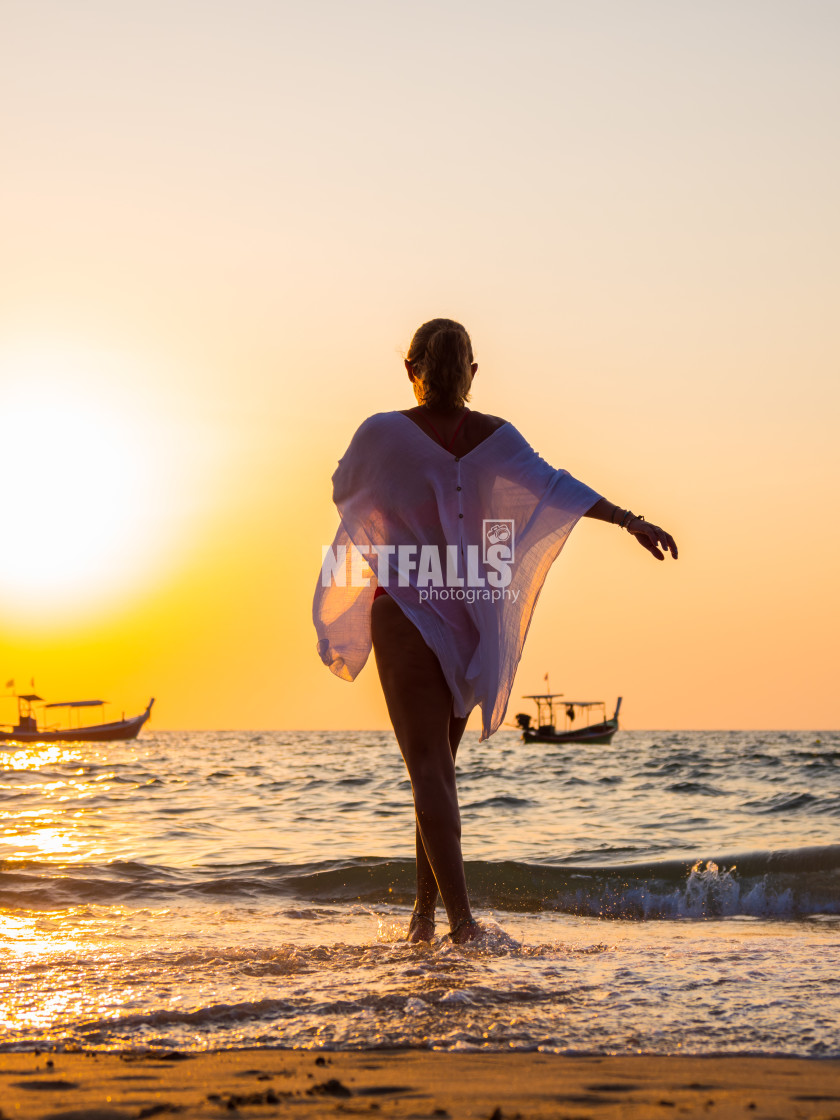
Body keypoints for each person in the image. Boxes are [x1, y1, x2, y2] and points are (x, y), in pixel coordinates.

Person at [313, 318, 677, 945]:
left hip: (403, 606)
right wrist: (629, 520)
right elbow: (558, 488)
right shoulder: (496, 437)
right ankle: (428, 919)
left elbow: (343, 485)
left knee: (429, 772)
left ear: (411, 370)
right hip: (466, 617)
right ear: (474, 373)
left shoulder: (381, 432)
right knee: (436, 773)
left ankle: (456, 924)